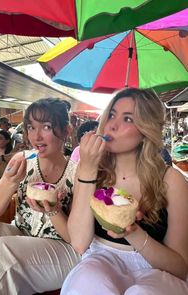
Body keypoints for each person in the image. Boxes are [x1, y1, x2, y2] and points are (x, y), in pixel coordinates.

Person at [61, 88, 188, 295]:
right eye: (111, 114)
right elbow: (79, 243)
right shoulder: (91, 171)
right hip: (100, 262)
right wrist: (87, 169)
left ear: (146, 130)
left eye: (128, 119)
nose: (112, 124)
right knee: (87, 281)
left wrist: (133, 232)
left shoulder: (171, 180)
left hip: (157, 271)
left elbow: (180, 268)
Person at [0, 98, 80, 295]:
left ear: (66, 130)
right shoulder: (23, 161)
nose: (36, 136)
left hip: (64, 248)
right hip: (22, 233)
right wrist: (11, 182)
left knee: (0, 254)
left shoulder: (78, 174)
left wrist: (54, 210)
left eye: (46, 126)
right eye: (31, 127)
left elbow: (75, 238)